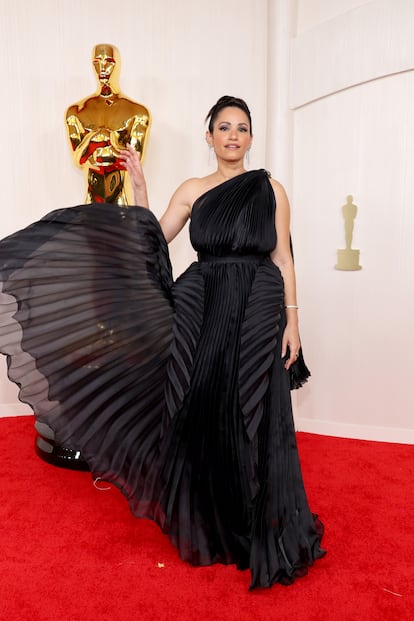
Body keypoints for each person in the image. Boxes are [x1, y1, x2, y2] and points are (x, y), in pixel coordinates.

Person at [0, 95, 325, 589]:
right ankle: (216, 520)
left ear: (251, 137)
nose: (233, 135)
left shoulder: (271, 190)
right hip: (205, 304)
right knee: (205, 406)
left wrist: (293, 322)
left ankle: (260, 521)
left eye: (242, 127)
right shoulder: (193, 189)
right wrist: (140, 189)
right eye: (224, 127)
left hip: (259, 305)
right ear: (210, 135)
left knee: (256, 406)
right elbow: (154, 238)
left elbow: (283, 259)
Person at [66, 43, 151, 205]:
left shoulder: (137, 113)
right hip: (91, 204)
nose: (102, 68)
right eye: (97, 62)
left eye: (109, 62)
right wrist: (96, 137)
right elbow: (79, 160)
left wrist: (108, 139)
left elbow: (134, 162)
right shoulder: (76, 112)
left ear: (118, 64)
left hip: (122, 204)